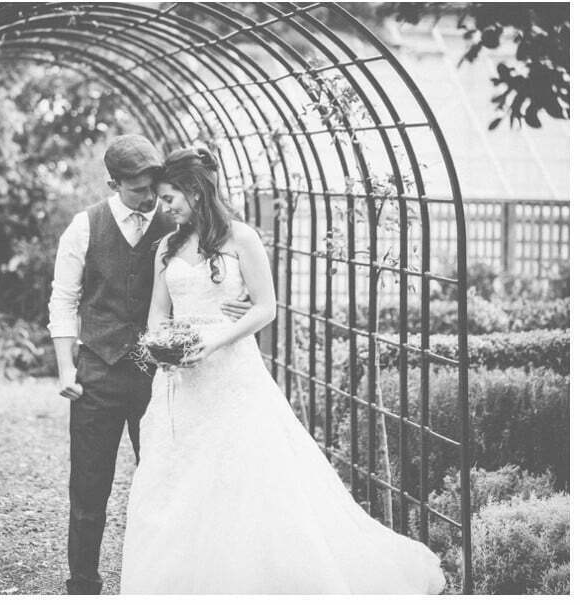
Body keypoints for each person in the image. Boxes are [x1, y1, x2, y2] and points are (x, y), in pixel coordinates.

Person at [118, 146, 447, 594]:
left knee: (245, 476)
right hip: (179, 379)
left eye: (170, 197)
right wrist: (162, 345)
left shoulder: (241, 239)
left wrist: (214, 340)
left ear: (196, 192)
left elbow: (266, 308)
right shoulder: (166, 248)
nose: (165, 207)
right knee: (175, 481)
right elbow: (158, 312)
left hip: (231, 372)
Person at [47, 135, 251, 595]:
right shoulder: (85, 227)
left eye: (154, 187)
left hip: (161, 375)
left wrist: (234, 301)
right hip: (97, 371)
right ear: (113, 182)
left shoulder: (178, 223)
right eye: (137, 189)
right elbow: (64, 300)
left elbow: (222, 266)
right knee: (88, 486)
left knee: (164, 481)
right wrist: (66, 368)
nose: (149, 197)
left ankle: (165, 584)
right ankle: (82, 583)